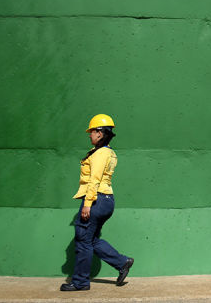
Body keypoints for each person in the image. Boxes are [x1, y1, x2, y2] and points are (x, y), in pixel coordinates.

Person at [60, 114, 134, 291]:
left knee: (83, 240)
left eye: (92, 131)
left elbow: (94, 179)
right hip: (106, 200)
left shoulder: (101, 154)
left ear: (100, 133)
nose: (90, 135)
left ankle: (80, 282)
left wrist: (87, 203)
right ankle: (122, 262)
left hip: (96, 199)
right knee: (91, 239)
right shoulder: (108, 152)